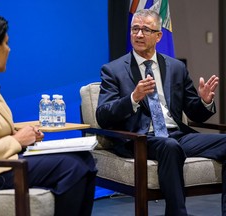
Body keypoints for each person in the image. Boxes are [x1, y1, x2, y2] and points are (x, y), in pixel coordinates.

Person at [0, 13, 97, 216]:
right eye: (6, 43)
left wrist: (25, 133)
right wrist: (18, 140)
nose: (9, 49)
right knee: (71, 167)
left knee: (84, 159)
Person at [96, 9, 226, 216]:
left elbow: (194, 112)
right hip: (139, 138)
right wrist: (133, 98)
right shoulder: (113, 70)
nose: (138, 35)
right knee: (169, 145)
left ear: (158, 36)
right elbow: (103, 116)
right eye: (135, 29)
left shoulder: (175, 68)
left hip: (176, 134)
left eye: (145, 30)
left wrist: (204, 101)